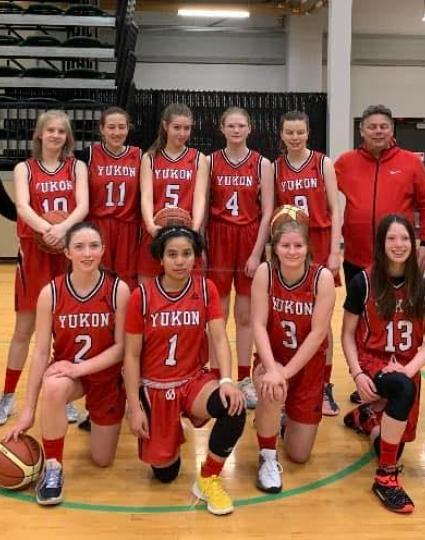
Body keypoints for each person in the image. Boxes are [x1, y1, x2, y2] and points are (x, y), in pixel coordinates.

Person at [5, 222, 130, 506]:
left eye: (94, 246)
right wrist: (28, 411)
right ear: (67, 252)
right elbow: (39, 354)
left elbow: (122, 349)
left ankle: (98, 417)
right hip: (69, 375)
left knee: (101, 460)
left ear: (103, 250)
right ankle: (53, 467)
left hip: (107, 376)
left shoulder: (117, 289)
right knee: (53, 384)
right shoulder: (51, 292)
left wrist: (78, 368)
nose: (87, 253)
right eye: (79, 247)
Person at [124, 226, 246, 516]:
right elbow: (130, 356)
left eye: (187, 254)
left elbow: (219, 338)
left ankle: (208, 477)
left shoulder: (206, 289)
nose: (180, 261)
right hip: (155, 387)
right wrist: (134, 406)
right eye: (173, 254)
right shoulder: (142, 296)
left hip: (193, 381)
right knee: (165, 475)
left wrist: (227, 381)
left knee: (234, 406)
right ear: (161, 259)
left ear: (196, 257)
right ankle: (170, 434)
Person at [0, 110, 88, 426]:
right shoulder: (24, 168)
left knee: (64, 328)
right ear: (39, 134)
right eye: (49, 130)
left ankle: (60, 394)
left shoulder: (77, 167)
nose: (55, 136)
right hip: (36, 252)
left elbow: (84, 205)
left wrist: (62, 229)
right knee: (25, 329)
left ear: (67, 137)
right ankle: (8, 396)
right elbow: (22, 206)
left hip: (66, 254)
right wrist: (47, 230)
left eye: (61, 132)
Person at [335, 103, 425, 405]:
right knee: (362, 326)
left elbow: (424, 204)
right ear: (361, 131)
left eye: (383, 126)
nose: (377, 131)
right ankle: (365, 379)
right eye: (371, 126)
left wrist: (423, 243)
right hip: (357, 259)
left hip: (397, 262)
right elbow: (324, 202)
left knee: (395, 321)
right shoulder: (345, 163)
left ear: (392, 130)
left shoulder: (411, 162)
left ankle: (394, 376)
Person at [342, 214, 424, 514]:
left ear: (413, 244)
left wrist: (409, 369)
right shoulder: (362, 281)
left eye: (405, 238)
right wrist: (357, 373)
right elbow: (347, 335)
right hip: (372, 362)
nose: (399, 244)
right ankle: (385, 478)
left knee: (392, 444)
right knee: (401, 390)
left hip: (406, 367)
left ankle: (368, 418)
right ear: (381, 243)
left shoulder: (421, 283)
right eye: (392, 238)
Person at [251, 205, 335, 494]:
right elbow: (258, 325)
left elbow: (318, 333)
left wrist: (287, 371)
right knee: (271, 386)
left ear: (307, 246)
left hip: (306, 366)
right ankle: (267, 457)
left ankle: (278, 419)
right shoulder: (265, 273)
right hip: (273, 358)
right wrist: (274, 370)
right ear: (274, 248)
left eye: (298, 245)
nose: (292, 251)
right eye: (285, 245)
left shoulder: (321, 278)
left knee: (299, 455)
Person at [274, 110, 341, 416]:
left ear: (308, 133)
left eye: (300, 132)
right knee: (292, 311)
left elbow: (334, 209)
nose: (295, 137)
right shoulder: (276, 167)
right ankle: (291, 376)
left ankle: (324, 385)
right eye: (290, 132)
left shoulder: (322, 162)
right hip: (291, 245)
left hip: (321, 240)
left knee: (322, 319)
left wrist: (336, 249)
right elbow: (274, 214)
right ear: (282, 134)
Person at [207, 107, 274, 409]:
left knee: (246, 315)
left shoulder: (262, 164)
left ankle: (245, 378)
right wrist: (205, 246)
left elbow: (268, 211)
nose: (236, 130)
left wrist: (257, 251)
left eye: (241, 125)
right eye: (231, 125)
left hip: (248, 237)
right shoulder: (209, 163)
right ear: (222, 128)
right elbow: (203, 207)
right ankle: (216, 375)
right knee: (217, 314)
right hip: (219, 236)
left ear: (250, 128)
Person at [138, 103, 208, 281]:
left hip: (186, 231)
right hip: (156, 230)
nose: (182, 133)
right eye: (177, 127)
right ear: (165, 126)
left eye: (187, 128)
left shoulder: (198, 158)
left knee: (189, 288)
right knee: (148, 285)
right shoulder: (150, 158)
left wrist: (195, 228)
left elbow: (199, 198)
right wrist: (150, 226)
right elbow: (146, 197)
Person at [78, 107, 142, 290]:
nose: (116, 132)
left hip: (128, 227)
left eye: (122, 127)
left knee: (126, 282)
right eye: (111, 127)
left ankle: (123, 319)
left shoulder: (139, 155)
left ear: (128, 129)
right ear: (102, 129)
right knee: (97, 278)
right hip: (97, 225)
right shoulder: (87, 155)